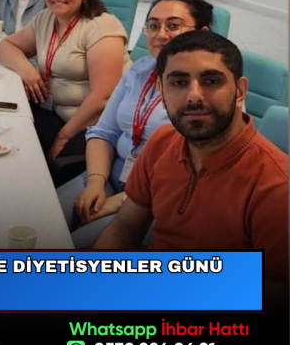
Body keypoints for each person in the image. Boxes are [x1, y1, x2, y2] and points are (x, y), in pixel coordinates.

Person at [93, 30, 288, 282]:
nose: (194, 95)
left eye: (211, 81)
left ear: (240, 91)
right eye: (178, 83)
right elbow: (125, 228)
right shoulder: (161, 143)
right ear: (162, 91)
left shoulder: (277, 187)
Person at [57, 0, 213, 247]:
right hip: (109, 176)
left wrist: (118, 202)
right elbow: (103, 132)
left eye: (173, 25)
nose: (160, 34)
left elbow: (191, 177)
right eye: (153, 25)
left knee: (64, 250)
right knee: (37, 219)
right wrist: (96, 181)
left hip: (156, 201)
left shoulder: (208, 93)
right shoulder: (139, 71)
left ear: (202, 33)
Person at [0, 0, 129, 186]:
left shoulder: (101, 27)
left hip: (91, 127)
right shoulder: (46, 19)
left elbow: (103, 97)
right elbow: (6, 46)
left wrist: (63, 136)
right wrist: (27, 70)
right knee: (7, 127)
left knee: (32, 166)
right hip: (56, 112)